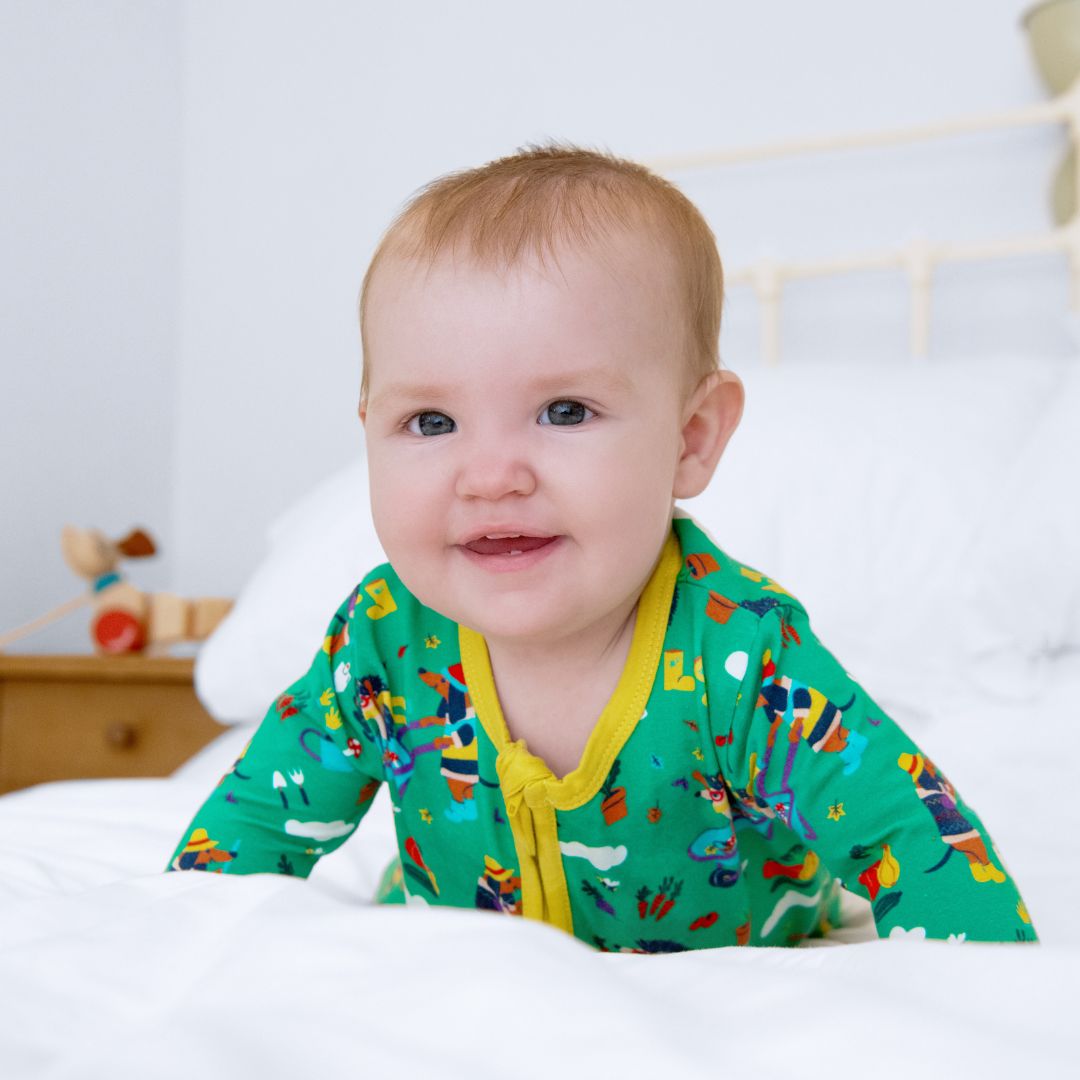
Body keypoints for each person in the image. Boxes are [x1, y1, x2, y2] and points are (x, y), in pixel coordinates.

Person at [165, 141, 1037, 951]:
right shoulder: (385, 639)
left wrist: (994, 1005)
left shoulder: (739, 652)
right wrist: (168, 952)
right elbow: (246, 835)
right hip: (448, 951)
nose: (491, 475)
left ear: (691, 437)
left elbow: (919, 844)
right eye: (430, 422)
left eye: (565, 411)